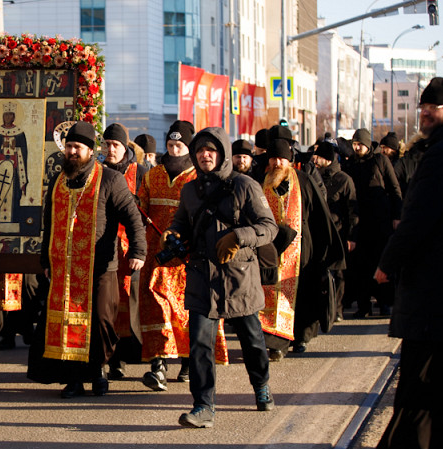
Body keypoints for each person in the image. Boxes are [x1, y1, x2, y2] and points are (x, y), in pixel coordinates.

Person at [165, 126, 277, 428]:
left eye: (211, 150)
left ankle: (262, 386)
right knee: (200, 344)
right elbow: (181, 225)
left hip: (239, 278)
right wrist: (173, 239)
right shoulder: (189, 190)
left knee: (252, 342)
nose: (205, 155)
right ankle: (203, 405)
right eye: (200, 150)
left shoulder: (245, 185)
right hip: (203, 278)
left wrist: (240, 236)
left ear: (222, 153)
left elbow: (269, 227)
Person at [27, 121, 146, 398]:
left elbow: (132, 217)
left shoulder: (110, 180)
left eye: (77, 147)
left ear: (90, 151)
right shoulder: (59, 180)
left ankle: (98, 371)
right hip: (64, 267)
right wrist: (45, 259)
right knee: (68, 321)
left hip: (101, 265)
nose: (71, 152)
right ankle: (75, 379)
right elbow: (49, 223)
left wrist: (138, 251)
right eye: (68, 146)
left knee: (101, 322)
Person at [375, 76, 443, 449]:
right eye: (422, 105)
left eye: (433, 106)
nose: (424, 112)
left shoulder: (441, 153)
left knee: (420, 384)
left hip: (434, 289)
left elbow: (418, 217)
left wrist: (387, 262)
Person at [260, 138, 344, 360]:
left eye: (282, 158)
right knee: (271, 296)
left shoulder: (304, 182)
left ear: (289, 160)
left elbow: (319, 216)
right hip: (269, 250)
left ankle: (300, 337)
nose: (278, 162)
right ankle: (276, 344)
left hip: (301, 252)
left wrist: (325, 252)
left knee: (301, 297)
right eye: (274, 158)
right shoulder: (262, 182)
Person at [137, 120, 199, 391]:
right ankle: (158, 366)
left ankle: (186, 361)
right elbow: (141, 209)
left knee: (183, 310)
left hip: (185, 258)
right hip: (156, 256)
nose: (174, 150)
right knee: (156, 306)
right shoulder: (152, 175)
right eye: (171, 145)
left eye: (180, 145)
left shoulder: (197, 177)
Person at [101, 123, 147, 379]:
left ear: (124, 146)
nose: (110, 149)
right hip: (106, 246)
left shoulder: (139, 171)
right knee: (108, 304)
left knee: (130, 303)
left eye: (115, 145)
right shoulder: (98, 170)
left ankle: (129, 354)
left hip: (130, 247)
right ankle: (112, 358)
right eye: (107, 144)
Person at [345, 128, 402, 318]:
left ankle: (384, 304)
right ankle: (363, 306)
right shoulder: (351, 164)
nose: (357, 147)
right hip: (360, 224)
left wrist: (397, 215)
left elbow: (394, 189)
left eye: (360, 144)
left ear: (367, 144)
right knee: (361, 266)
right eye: (354, 144)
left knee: (380, 262)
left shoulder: (380, 161)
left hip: (380, 221)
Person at [312, 141, 357, 322]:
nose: (315, 159)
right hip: (318, 233)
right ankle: (322, 310)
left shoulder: (344, 180)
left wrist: (352, 236)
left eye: (319, 157)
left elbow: (353, 211)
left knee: (338, 273)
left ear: (328, 160)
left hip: (338, 233)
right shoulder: (314, 177)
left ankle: (337, 309)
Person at [0, 102, 28, 233]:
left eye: (10, 115)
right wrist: (1, 147)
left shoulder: (19, 133)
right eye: (5, 114)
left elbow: (24, 151)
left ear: (14, 117)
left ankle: (13, 222)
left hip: (14, 169)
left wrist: (15, 148)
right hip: (0, 168)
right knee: (0, 193)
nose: (7, 117)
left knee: (14, 196)